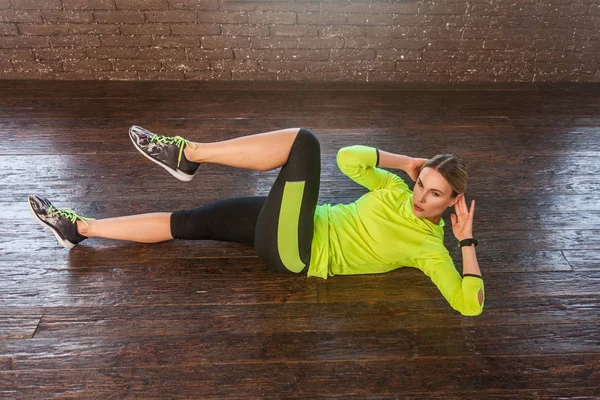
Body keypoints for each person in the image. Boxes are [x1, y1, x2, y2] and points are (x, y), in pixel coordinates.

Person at [29, 126, 484, 316]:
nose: (422, 197)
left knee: (303, 143)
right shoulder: (395, 189)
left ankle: (189, 154)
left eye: (435, 193)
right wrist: (406, 162)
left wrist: (465, 243)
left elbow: (470, 303)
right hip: (288, 223)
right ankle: (81, 228)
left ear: (453, 201)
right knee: (187, 222)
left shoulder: (429, 249)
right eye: (423, 184)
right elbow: (352, 159)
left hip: (297, 251)